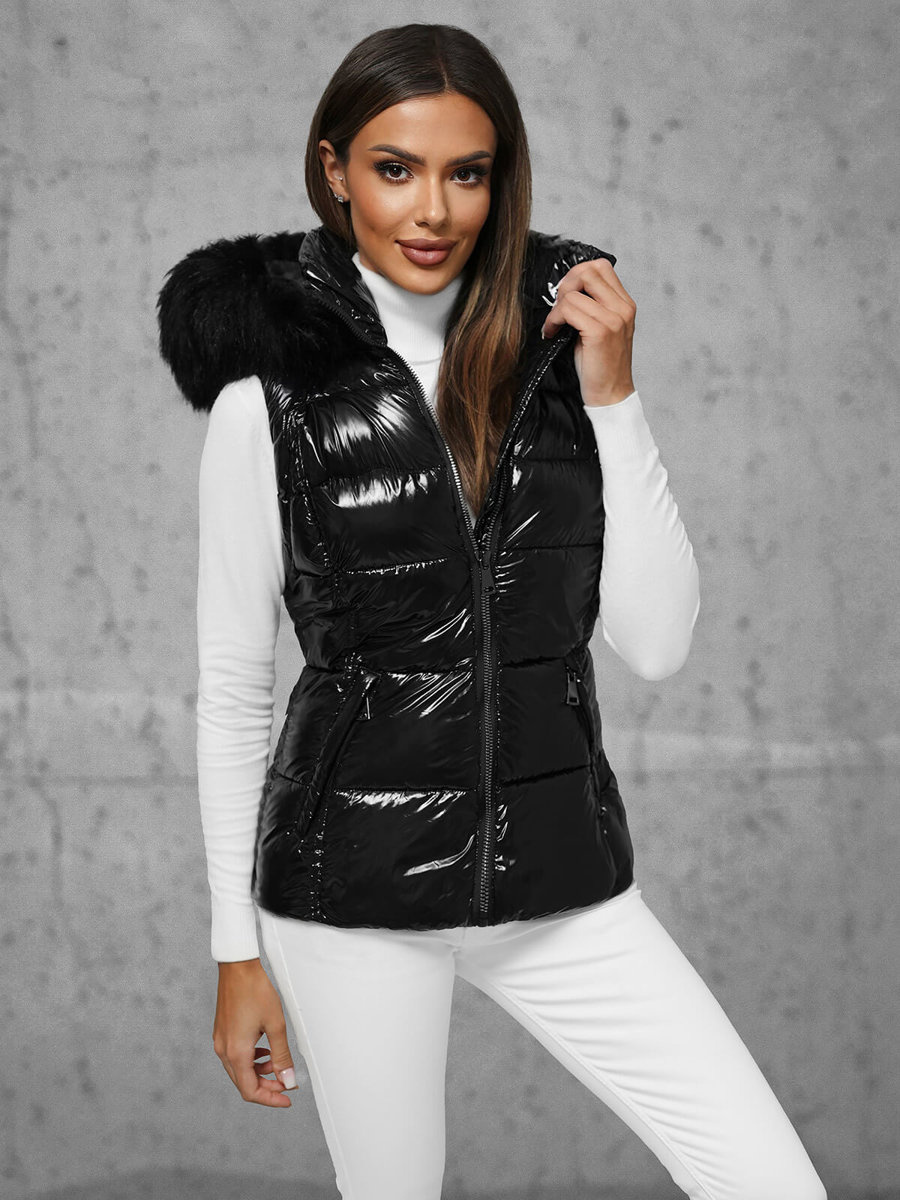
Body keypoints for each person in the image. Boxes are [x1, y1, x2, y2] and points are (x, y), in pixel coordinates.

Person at [157, 22, 827, 1200]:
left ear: (499, 180)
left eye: (465, 173)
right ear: (334, 171)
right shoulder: (270, 404)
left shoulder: (562, 366)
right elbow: (234, 687)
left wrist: (614, 396)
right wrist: (235, 952)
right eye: (394, 168)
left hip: (561, 884)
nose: (432, 211)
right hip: (351, 896)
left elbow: (656, 645)